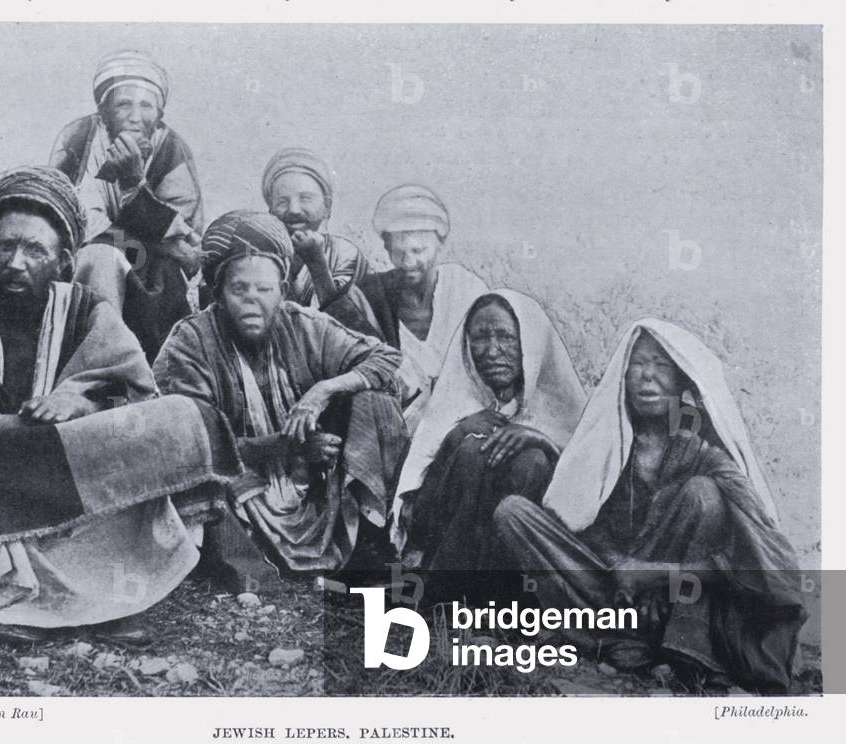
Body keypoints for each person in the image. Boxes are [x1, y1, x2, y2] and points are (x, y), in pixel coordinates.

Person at [0, 167, 240, 645]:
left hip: (82, 455)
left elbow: (135, 391)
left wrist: (81, 399)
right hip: (0, 468)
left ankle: (117, 599)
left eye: (35, 250)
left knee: (185, 417)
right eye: (4, 246)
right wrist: (4, 430)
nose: (16, 262)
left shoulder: (88, 309)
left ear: (63, 259)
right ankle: (15, 598)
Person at [492, 319, 805, 692]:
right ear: (623, 377)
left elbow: (760, 560)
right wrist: (622, 569)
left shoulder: (706, 452)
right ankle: (615, 638)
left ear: (683, 381)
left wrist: (656, 575)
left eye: (661, 366)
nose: (647, 377)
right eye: (638, 364)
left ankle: (655, 645)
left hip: (674, 598)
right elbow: (577, 519)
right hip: (607, 585)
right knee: (512, 513)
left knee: (703, 494)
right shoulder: (610, 440)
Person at [153, 211, 408, 577]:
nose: (252, 301)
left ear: (283, 292)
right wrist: (284, 447)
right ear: (218, 294)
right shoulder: (191, 341)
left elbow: (386, 359)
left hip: (309, 481)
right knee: (204, 482)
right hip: (236, 482)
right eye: (239, 289)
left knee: (375, 401)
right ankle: (243, 565)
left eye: (265, 289)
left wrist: (323, 390)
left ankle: (370, 541)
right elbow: (189, 444)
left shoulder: (304, 325)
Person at [391, 290, 586, 570]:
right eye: (480, 338)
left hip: (522, 566)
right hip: (448, 556)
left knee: (533, 461)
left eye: (506, 337)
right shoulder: (448, 407)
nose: (492, 351)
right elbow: (419, 517)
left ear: (530, 343)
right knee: (471, 449)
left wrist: (542, 441)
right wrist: (454, 437)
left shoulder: (558, 410)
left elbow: (581, 496)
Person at [49, 49, 204, 359]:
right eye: (123, 104)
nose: (136, 116)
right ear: (103, 110)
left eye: (146, 105)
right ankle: (95, 364)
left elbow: (185, 242)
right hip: (82, 257)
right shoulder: (77, 138)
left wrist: (134, 182)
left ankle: (143, 370)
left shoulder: (171, 150)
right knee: (98, 259)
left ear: (159, 114)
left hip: (152, 265)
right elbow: (59, 210)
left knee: (141, 267)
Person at [326, 184, 489, 434]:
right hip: (397, 423)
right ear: (387, 248)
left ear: (439, 245)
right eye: (400, 252)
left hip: (467, 414)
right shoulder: (368, 295)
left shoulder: (464, 287)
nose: (409, 262)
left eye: (418, 251)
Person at [260, 147, 367, 308]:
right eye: (282, 201)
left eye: (305, 198)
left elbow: (349, 322)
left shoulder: (345, 254)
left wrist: (317, 262)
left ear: (327, 205)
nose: (294, 209)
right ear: (271, 209)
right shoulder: (259, 255)